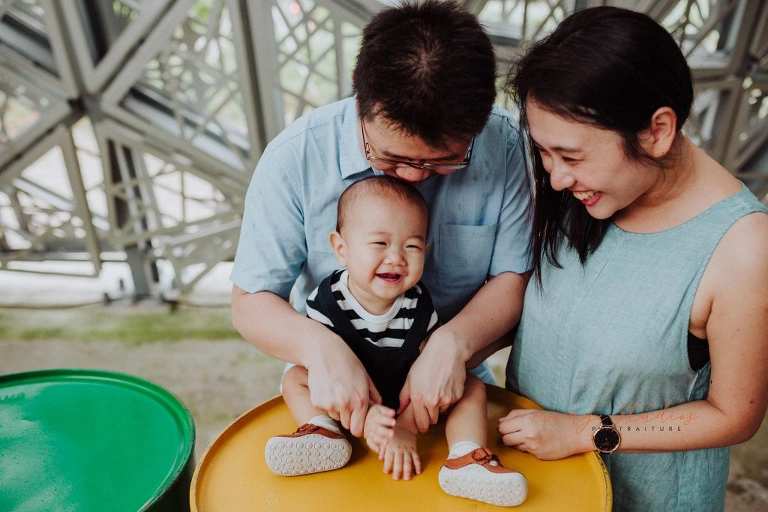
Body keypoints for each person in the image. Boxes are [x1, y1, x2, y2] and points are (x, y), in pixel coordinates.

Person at [498, 6, 768, 511]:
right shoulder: (582, 193)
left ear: (658, 131)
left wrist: (586, 433)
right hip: (538, 484)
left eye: (572, 157)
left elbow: (735, 413)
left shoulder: (744, 248)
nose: (555, 178)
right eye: (545, 153)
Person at [231, 0, 531, 440]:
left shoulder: (503, 145)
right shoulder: (294, 158)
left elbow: (514, 277)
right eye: (392, 158)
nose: (414, 177)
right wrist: (322, 349)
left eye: (444, 162)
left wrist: (453, 344)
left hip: (450, 370)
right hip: (334, 378)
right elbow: (251, 302)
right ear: (361, 104)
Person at [264, 177, 527, 507]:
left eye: (412, 247)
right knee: (295, 378)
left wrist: (404, 427)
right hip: (350, 395)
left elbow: (429, 368)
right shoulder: (327, 301)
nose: (396, 258)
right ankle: (322, 431)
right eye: (379, 244)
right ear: (341, 248)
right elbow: (328, 375)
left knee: (472, 389)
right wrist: (365, 414)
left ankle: (465, 457)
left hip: (408, 396)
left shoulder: (418, 303)